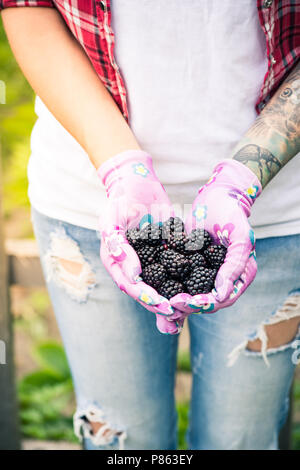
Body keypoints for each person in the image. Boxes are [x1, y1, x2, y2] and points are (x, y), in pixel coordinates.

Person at [1, 0, 300, 450]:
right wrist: (121, 169)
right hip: (90, 202)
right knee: (121, 440)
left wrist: (241, 180)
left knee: (243, 440)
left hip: (272, 213)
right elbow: (26, 8)